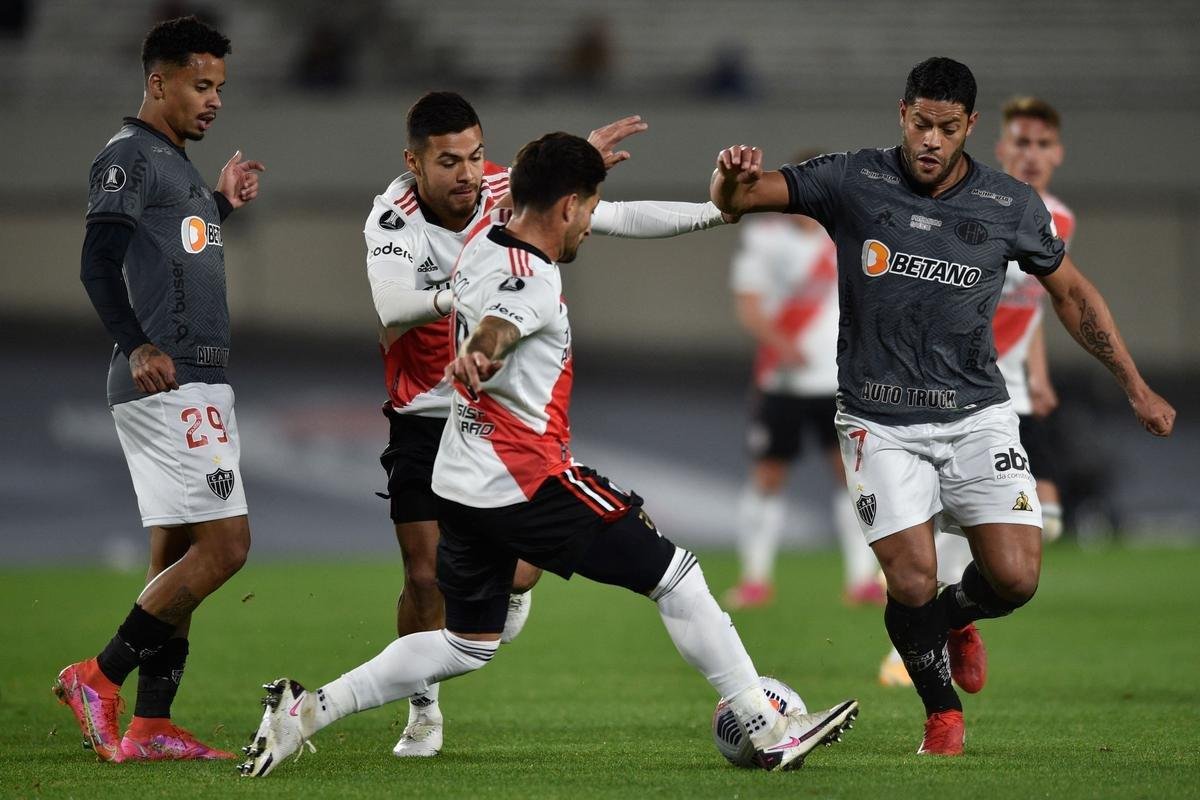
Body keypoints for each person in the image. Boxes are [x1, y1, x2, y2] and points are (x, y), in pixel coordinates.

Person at [240, 132, 858, 777]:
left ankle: (304, 712)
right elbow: (503, 321)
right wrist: (482, 351)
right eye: (587, 211)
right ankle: (764, 726)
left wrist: (714, 208)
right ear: (566, 207)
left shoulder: (487, 232)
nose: (591, 226)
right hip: (526, 480)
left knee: (466, 644)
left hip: (460, 477)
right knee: (678, 578)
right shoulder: (530, 279)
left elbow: (616, 218)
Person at [710, 57, 1174, 756]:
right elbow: (739, 199)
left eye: (946, 128)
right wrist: (730, 179)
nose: (930, 139)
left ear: (970, 128)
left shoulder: (1009, 205)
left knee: (1016, 578)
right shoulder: (851, 179)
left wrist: (1134, 384)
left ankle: (957, 618)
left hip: (976, 414)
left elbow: (1072, 294)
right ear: (902, 113)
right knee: (911, 576)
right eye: (920, 123)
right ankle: (941, 715)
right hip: (877, 419)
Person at [367, 91, 739, 758]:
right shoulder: (392, 218)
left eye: (477, 157)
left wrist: (719, 212)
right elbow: (392, 308)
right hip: (425, 413)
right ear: (414, 163)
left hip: (498, 415)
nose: (469, 175)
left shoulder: (506, 191)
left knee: (512, 578)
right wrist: (472, 292)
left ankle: (499, 601)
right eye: (449, 161)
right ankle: (423, 710)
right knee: (423, 576)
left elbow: (615, 215)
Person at [55, 15, 264, 763]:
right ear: (158, 80)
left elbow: (176, 248)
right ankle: (97, 677)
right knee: (228, 547)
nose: (213, 100)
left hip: (199, 380)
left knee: (175, 558)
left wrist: (223, 204)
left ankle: (151, 724)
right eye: (200, 84)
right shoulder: (128, 157)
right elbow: (97, 263)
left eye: (219, 88)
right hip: (166, 379)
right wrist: (138, 342)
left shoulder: (174, 165)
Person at [878, 95, 1078, 688]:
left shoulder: (1057, 219)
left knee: (1045, 521)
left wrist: (1038, 372)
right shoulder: (959, 205)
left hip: (1003, 390)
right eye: (1022, 142)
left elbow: (1040, 298)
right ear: (999, 145)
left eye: (1043, 145)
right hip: (947, 389)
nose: (1032, 154)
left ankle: (948, 618)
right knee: (946, 519)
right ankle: (927, 633)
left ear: (1058, 153)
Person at [722, 151, 881, 611]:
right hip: (781, 382)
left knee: (850, 478)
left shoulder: (847, 238)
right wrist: (780, 342)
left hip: (838, 382)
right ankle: (755, 579)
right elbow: (749, 305)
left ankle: (862, 580)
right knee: (768, 475)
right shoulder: (764, 238)